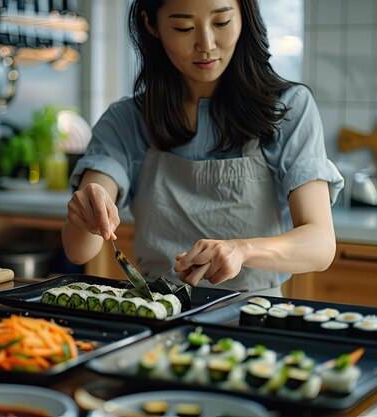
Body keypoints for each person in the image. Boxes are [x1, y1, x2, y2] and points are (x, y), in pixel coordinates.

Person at [62, 0, 343, 296]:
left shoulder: (288, 109)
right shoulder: (126, 120)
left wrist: (241, 250)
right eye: (183, 27)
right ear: (151, 24)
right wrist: (89, 210)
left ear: (244, 17)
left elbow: (320, 244)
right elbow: (79, 251)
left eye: (221, 22)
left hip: (254, 316)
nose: (206, 45)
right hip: (157, 315)